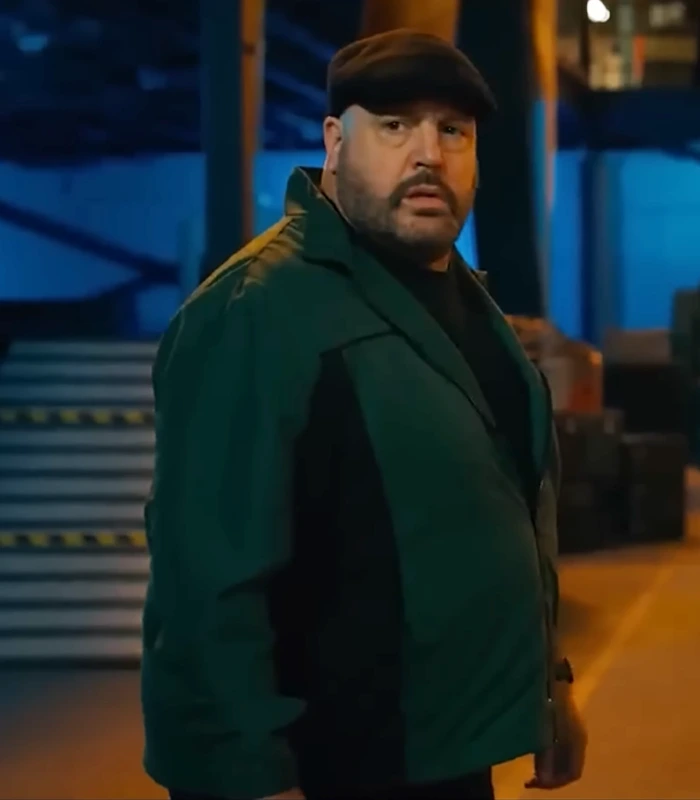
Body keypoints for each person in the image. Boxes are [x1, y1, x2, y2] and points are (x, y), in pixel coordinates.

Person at [141, 29, 587, 800]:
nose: (428, 154)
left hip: (449, 751)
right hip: (336, 765)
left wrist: (549, 688)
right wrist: (241, 778)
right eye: (394, 125)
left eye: (453, 131)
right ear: (335, 142)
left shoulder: (469, 306)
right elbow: (206, 584)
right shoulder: (258, 310)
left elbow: (507, 513)